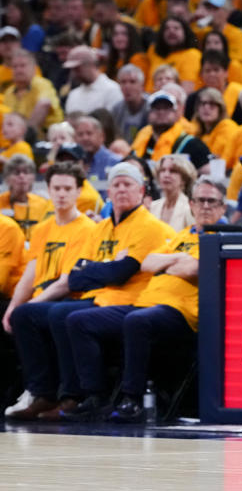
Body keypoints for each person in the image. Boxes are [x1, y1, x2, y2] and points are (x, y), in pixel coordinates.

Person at [7, 162, 173, 421]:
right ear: (108, 193)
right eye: (116, 185)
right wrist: (106, 267)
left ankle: (84, 395)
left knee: (65, 315)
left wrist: (99, 269)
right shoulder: (101, 228)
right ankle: (42, 392)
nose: (121, 190)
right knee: (25, 314)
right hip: (99, 297)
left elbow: (121, 274)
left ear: (141, 191)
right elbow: (75, 277)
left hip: (131, 300)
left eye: (127, 184)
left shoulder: (150, 226)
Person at [64, 176, 227, 423]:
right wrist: (174, 263)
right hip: (144, 303)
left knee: (138, 322)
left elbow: (193, 268)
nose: (205, 206)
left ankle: (133, 400)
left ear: (223, 208)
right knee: (79, 321)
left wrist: (167, 264)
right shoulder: (182, 235)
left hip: (182, 312)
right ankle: (95, 396)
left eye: (212, 201)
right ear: (191, 205)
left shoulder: (222, 238)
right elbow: (148, 262)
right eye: (200, 200)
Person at [2, 162, 95, 419]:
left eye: (67, 188)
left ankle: (57, 394)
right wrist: (13, 305)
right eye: (57, 188)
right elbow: (31, 272)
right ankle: (37, 393)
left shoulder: (87, 228)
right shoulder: (43, 228)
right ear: (49, 190)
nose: (62, 194)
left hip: (70, 296)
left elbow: (66, 282)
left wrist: (29, 306)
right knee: (15, 314)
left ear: (79, 191)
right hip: (44, 297)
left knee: (33, 315)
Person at [132, 88, 212, 173]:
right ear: (148, 113)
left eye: (167, 108)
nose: (161, 112)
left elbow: (209, 173)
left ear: (175, 113)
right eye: (156, 108)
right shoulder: (140, 142)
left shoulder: (192, 145)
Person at [63, 46, 124, 115]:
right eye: (72, 69)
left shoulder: (112, 91)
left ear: (90, 64)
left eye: (77, 68)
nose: (74, 73)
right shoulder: (73, 94)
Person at [149, 155, 197, 231]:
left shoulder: (189, 209)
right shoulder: (152, 207)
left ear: (184, 179)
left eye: (173, 171)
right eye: (163, 170)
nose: (166, 175)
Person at [73, 116, 121, 180]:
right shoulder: (72, 162)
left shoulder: (116, 162)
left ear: (102, 136)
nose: (85, 138)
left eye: (89, 133)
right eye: (80, 134)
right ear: (74, 138)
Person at [112, 64, 150, 144]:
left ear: (142, 85)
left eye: (132, 82)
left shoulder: (151, 107)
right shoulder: (117, 109)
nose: (127, 86)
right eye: (123, 82)